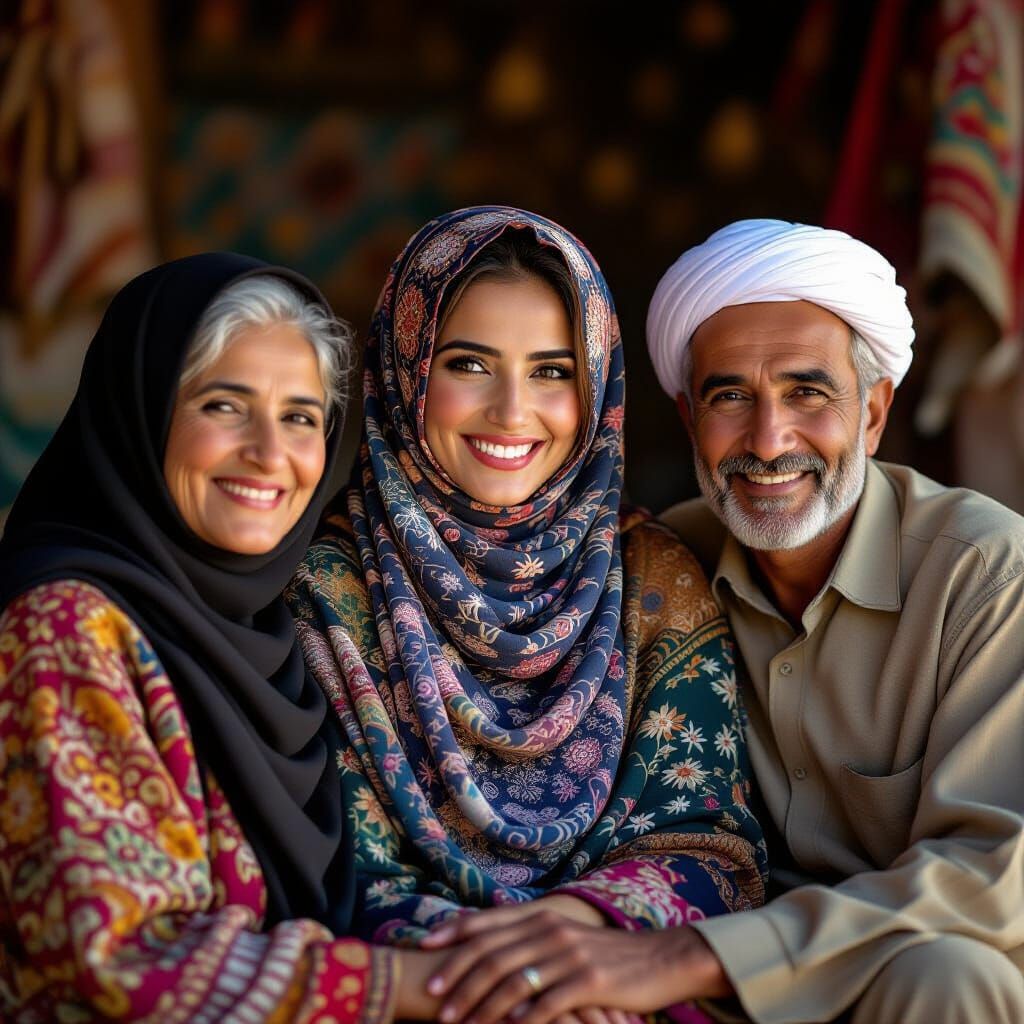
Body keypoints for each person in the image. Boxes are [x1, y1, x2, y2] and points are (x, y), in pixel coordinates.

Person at [423, 219, 1024, 1024]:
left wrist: (693, 957)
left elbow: (997, 872)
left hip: (879, 973)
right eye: (730, 396)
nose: (768, 441)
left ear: (875, 412)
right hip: (715, 982)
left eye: (807, 392)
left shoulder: (985, 574)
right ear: (688, 419)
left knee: (947, 974)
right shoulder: (656, 568)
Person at [288, 207, 766, 1018]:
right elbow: (342, 870)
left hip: (622, 981)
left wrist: (578, 942)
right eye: (470, 364)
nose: (513, 411)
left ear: (597, 389)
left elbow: (711, 846)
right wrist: (522, 984)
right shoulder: (327, 590)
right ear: (404, 374)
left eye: (551, 371)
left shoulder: (654, 578)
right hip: (428, 995)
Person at [0, 253, 449, 1022]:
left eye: (300, 417)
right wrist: (428, 989)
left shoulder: (282, 632)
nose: (270, 454)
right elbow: (118, 959)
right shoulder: (63, 627)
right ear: (143, 416)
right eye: (223, 405)